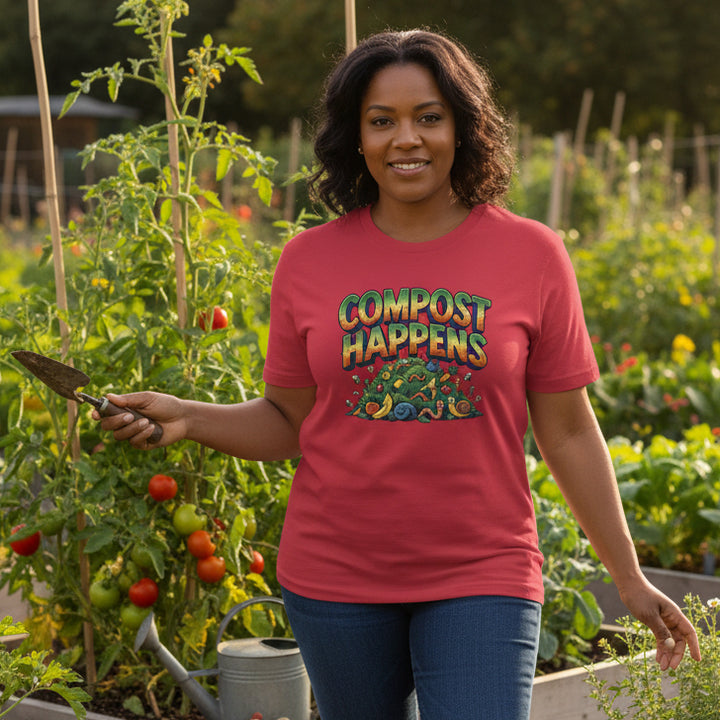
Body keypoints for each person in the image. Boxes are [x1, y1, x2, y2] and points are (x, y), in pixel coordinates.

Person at [95, 29, 701, 720]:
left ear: (464, 128)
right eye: (382, 121)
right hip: (335, 577)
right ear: (356, 136)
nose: (405, 139)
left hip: (484, 570)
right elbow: (290, 422)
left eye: (429, 117)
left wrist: (628, 577)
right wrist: (190, 416)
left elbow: (566, 430)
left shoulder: (532, 254)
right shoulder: (308, 261)